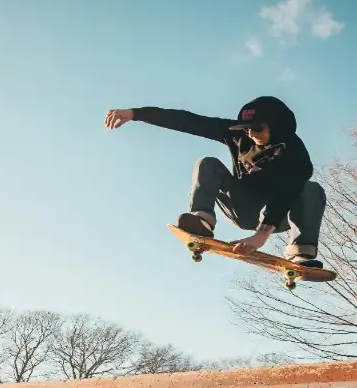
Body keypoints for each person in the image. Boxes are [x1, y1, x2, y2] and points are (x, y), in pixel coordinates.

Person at [104, 96, 325, 268]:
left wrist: (261, 235)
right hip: (241, 206)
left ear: (277, 126)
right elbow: (189, 121)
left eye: (257, 128)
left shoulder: (295, 154)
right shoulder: (239, 136)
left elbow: (286, 194)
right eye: (246, 129)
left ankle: (300, 252)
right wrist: (134, 114)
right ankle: (203, 220)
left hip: (279, 215)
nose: (250, 134)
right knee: (208, 163)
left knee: (311, 189)